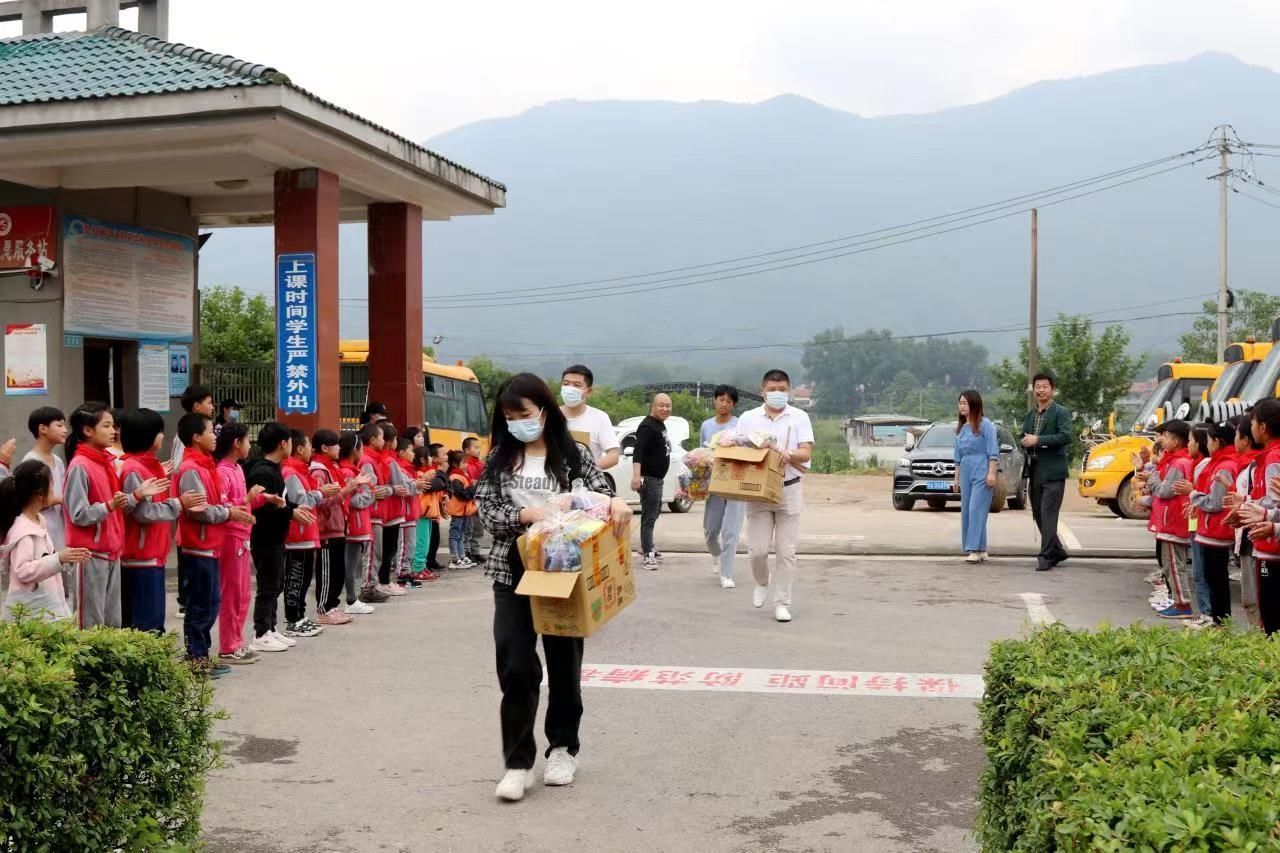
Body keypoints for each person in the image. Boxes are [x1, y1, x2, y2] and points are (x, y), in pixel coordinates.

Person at [474, 373, 631, 802]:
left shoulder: (573, 455)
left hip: (564, 572)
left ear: (544, 410)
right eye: (508, 416)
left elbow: (600, 495)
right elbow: (488, 511)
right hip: (513, 571)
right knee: (515, 664)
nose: (517, 423)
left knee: (564, 665)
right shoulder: (500, 458)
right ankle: (518, 763)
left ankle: (563, 747)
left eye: (523, 414)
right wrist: (531, 516)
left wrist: (614, 502)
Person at [65, 404, 157, 628]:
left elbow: (115, 508)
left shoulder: (103, 462)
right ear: (88, 430)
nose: (113, 432)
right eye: (106, 426)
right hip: (90, 555)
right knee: (90, 623)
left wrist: (136, 495)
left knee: (112, 622)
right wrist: (109, 505)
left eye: (113, 426)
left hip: (111, 552)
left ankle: (109, 664)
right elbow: (78, 514)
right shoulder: (80, 466)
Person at [176, 412, 254, 678]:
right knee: (200, 605)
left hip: (211, 543)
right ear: (196, 437)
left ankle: (202, 654)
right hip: (198, 545)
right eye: (211, 431)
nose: (215, 436)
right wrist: (229, 513)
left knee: (210, 603)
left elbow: (217, 503)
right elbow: (199, 509)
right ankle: (195, 658)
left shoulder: (205, 466)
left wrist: (231, 509)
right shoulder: (190, 469)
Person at [737, 370, 815, 623]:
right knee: (757, 550)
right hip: (758, 490)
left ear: (789, 390)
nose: (778, 393)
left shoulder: (799, 417)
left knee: (786, 551)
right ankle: (762, 581)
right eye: (773, 389)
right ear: (763, 390)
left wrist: (787, 453)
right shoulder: (749, 418)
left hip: (789, 488)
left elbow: (805, 452)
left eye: (782, 389)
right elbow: (736, 445)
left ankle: (782, 602)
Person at [119, 408, 203, 634]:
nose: (162, 437)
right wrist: (178, 504)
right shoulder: (133, 469)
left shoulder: (146, 466)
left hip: (152, 554)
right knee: (146, 624)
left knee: (154, 620)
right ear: (145, 435)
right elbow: (143, 513)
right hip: (140, 557)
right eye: (159, 432)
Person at [246, 423, 313, 653]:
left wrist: (293, 509)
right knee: (268, 585)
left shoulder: (274, 469)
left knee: (276, 583)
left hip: (276, 536)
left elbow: (281, 502)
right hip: (265, 536)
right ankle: (261, 632)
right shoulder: (262, 471)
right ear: (283, 443)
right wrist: (291, 512)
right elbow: (263, 506)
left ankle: (271, 627)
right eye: (290, 442)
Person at [1, 459, 91, 621]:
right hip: (32, 613)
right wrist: (59, 558)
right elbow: (22, 570)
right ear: (39, 493)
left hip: (44, 607)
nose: (54, 490)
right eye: (52, 485)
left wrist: (60, 558)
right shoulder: (24, 532)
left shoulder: (38, 521)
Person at [282, 430, 340, 637]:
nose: (311, 451)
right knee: (296, 578)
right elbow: (301, 500)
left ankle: (300, 615)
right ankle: (292, 619)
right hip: (296, 534)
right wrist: (321, 493)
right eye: (308, 446)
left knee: (305, 578)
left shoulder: (301, 471)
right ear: (299, 449)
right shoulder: (290, 472)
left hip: (306, 532)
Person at [214, 421, 263, 663]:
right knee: (232, 593)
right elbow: (223, 508)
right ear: (236, 443)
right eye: (246, 441)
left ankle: (236, 642)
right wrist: (248, 498)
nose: (249, 446)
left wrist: (263, 499)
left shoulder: (236, 469)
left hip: (242, 536)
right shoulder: (223, 471)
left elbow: (242, 503)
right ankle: (228, 645)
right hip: (231, 537)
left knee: (243, 594)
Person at [1188, 420, 1240, 627]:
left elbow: (1215, 502)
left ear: (1217, 442)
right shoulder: (1218, 463)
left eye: (1208, 440)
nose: (1206, 444)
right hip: (1210, 530)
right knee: (1213, 578)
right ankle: (1218, 621)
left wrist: (1191, 495)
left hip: (1217, 530)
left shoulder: (1225, 466)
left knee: (1216, 581)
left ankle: (1220, 622)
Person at [311, 428, 365, 624]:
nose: (339, 448)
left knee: (337, 570)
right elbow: (319, 501)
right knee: (327, 571)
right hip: (326, 528)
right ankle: (324, 609)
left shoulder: (331, 468)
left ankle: (332, 605)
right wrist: (346, 491)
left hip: (337, 526)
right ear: (324, 448)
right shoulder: (319, 471)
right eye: (335, 445)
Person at [1020, 374, 1072, 572]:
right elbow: (1025, 435)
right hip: (1035, 469)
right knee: (1038, 514)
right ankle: (1057, 550)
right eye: (1037, 387)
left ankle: (1046, 556)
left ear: (1052, 389)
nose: (1040, 390)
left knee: (1049, 513)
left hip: (1054, 470)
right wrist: (1025, 441)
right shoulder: (1030, 415)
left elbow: (1066, 436)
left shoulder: (1061, 412)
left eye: (1044, 387)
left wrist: (1038, 440)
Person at [171, 384, 215, 615]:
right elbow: (180, 467)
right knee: (187, 550)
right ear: (197, 406)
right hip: (189, 503)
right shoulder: (186, 437)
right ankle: (183, 600)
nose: (212, 406)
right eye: (209, 402)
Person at [22, 407, 71, 609]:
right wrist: (65, 500)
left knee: (62, 595)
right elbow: (31, 500)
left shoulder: (57, 460)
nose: (65, 430)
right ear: (42, 429)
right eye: (59, 425)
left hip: (59, 534)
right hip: (42, 536)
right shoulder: (31, 462)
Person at [699, 385, 745, 588]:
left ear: (733, 405)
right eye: (721, 400)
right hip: (714, 483)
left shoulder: (740, 425)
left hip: (735, 482)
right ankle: (717, 555)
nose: (724, 404)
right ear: (715, 401)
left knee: (730, 531)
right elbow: (702, 452)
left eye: (729, 401)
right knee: (710, 530)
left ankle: (726, 574)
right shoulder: (706, 426)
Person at [1150, 420, 1195, 619]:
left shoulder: (1178, 463)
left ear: (1176, 441)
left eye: (1166, 436)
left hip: (1173, 521)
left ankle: (1182, 603)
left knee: (1174, 565)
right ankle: (1179, 601)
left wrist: (1153, 479)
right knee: (1173, 563)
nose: (1162, 440)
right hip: (1172, 520)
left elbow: (1165, 491)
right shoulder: (1176, 460)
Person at [954, 390, 1000, 563]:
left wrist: (991, 472)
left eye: (965, 403)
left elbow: (993, 451)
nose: (962, 406)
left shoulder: (985, 424)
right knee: (967, 510)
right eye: (960, 403)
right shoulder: (961, 428)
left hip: (982, 469)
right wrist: (956, 478)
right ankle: (981, 548)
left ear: (974, 404)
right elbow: (957, 456)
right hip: (965, 470)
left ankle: (973, 548)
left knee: (976, 509)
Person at [358, 422, 402, 600]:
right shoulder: (368, 460)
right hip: (372, 512)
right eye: (382, 437)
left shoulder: (374, 459)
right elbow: (375, 490)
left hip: (377, 513)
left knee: (377, 553)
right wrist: (392, 490)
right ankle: (368, 588)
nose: (384, 441)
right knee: (373, 554)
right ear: (372, 439)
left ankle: (372, 585)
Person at [338, 431, 379, 615]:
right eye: (361, 448)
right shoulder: (347, 472)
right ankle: (350, 599)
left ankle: (351, 598)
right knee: (350, 562)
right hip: (353, 523)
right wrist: (371, 494)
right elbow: (354, 500)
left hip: (357, 522)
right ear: (355, 450)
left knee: (352, 561)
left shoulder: (351, 470)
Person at [631, 394, 672, 569]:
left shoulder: (659, 424)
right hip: (649, 479)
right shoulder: (647, 426)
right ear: (652, 406)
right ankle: (648, 554)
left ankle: (648, 547)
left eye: (668, 406)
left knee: (653, 514)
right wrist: (636, 476)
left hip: (657, 478)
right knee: (649, 516)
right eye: (661, 405)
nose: (665, 409)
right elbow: (637, 451)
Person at [560, 365, 621, 472]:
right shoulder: (551, 415)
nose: (570, 388)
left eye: (576, 385)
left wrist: (586, 471)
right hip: (553, 483)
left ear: (588, 391)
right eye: (566, 384)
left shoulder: (599, 417)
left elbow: (613, 456)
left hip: (585, 485)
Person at [394, 437, 425, 588]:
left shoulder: (407, 468)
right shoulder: (399, 469)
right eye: (410, 451)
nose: (413, 454)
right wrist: (417, 484)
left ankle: (407, 571)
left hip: (411, 512)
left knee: (410, 545)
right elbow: (403, 488)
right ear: (401, 453)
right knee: (405, 545)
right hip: (404, 513)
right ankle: (402, 575)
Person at [447, 450, 478, 569]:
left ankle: (461, 556)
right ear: (455, 463)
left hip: (463, 511)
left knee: (461, 535)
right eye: (464, 462)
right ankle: (455, 558)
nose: (466, 465)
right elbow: (462, 494)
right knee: (455, 535)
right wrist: (472, 488)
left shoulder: (462, 475)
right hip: (458, 511)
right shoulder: (455, 477)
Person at [463, 436, 487, 561]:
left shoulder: (482, 464)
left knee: (478, 527)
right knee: (468, 527)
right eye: (476, 447)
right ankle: (466, 551)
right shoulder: (465, 465)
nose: (479, 450)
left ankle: (476, 551)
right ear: (467, 450)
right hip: (468, 501)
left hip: (479, 499)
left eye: (479, 448)